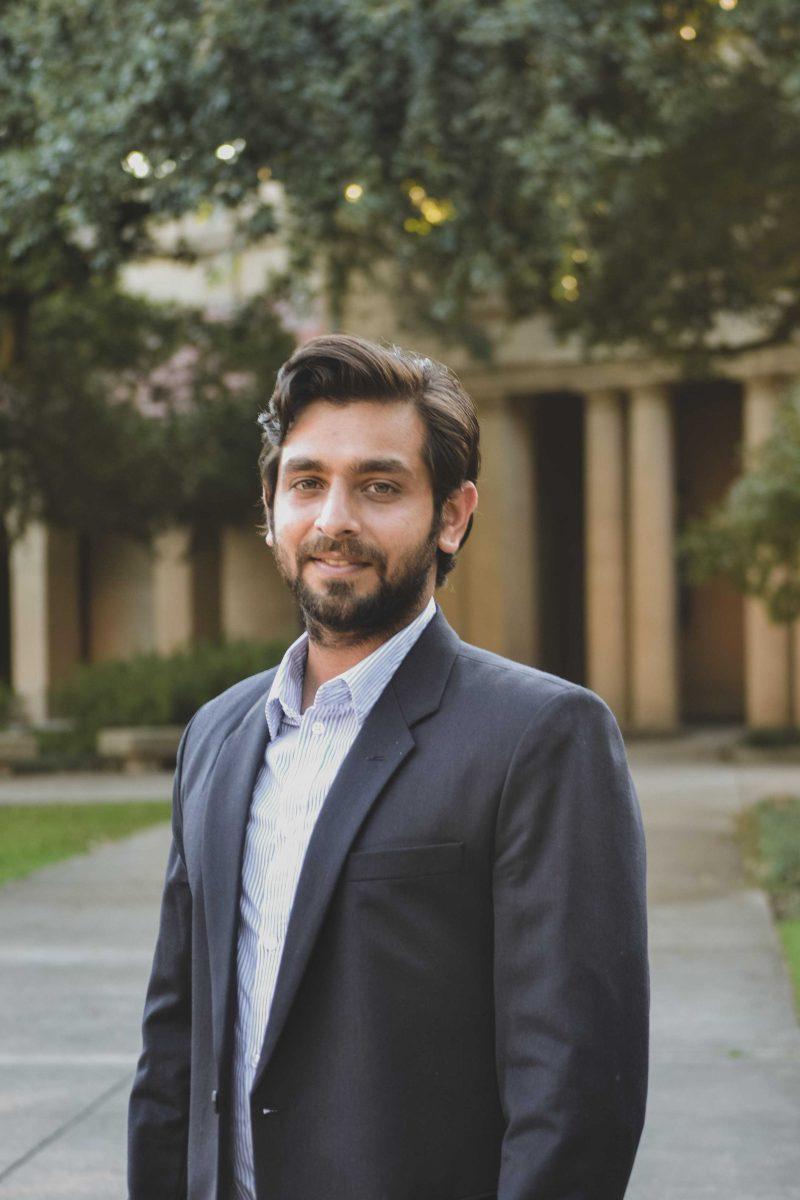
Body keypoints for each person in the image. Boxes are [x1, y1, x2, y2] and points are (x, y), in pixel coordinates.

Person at [128, 333, 649, 1200]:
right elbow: (175, 1046)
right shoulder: (217, 737)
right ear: (272, 508)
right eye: (306, 482)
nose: (335, 518)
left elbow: (576, 1091)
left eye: (379, 486)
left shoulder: (543, 737)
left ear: (451, 514)